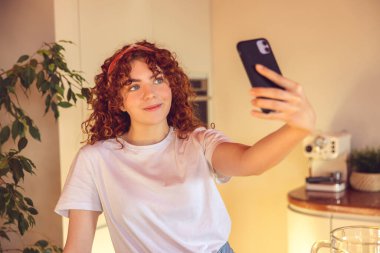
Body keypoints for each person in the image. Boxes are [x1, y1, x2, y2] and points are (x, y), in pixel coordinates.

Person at [55, 40, 315, 253]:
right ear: (118, 102)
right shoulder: (95, 160)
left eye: (157, 80)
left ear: (171, 87)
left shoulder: (198, 141)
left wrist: (297, 128)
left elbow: (249, 162)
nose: (151, 93)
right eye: (134, 86)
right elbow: (77, 246)